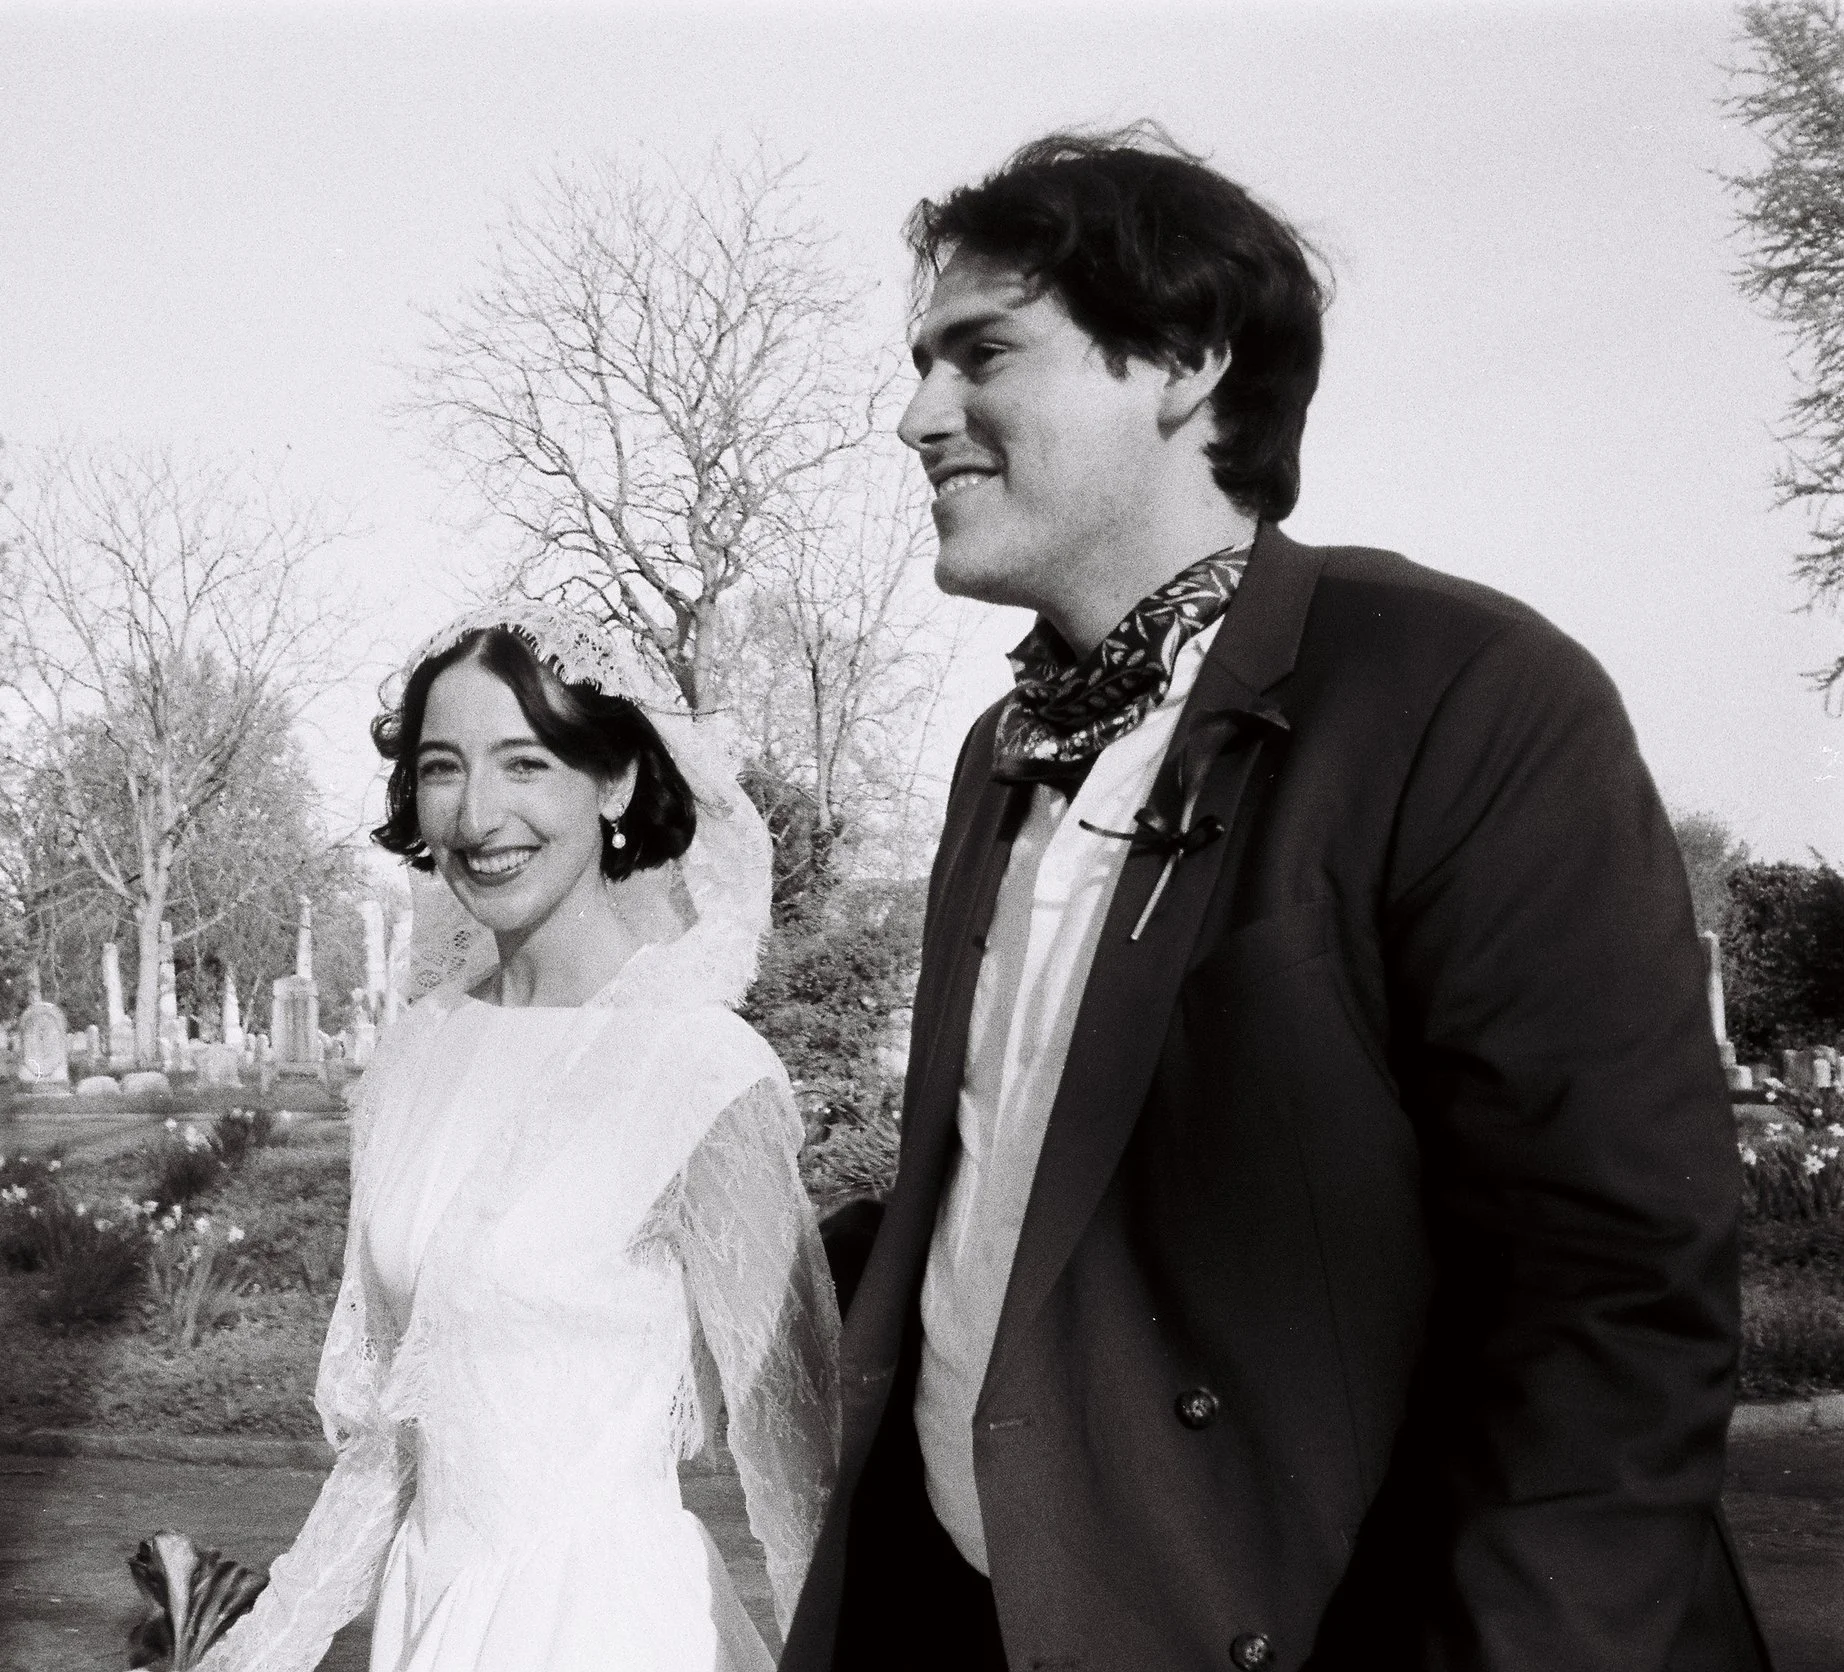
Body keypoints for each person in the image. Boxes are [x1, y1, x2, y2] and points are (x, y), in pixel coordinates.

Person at [779, 131, 1769, 1671]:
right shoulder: (1001, 755)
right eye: (918, 362)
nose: (914, 416)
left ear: (1182, 361)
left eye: (981, 354)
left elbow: (1612, 1301)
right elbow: (1024, 1193)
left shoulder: (1462, 696)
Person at [197, 603, 839, 1672]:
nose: (477, 813)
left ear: (616, 781)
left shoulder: (701, 1072)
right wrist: (253, 1653)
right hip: (429, 1619)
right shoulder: (417, 1053)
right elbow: (394, 1441)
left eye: (526, 763)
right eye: (443, 767)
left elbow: (799, 1465)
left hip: (607, 1627)